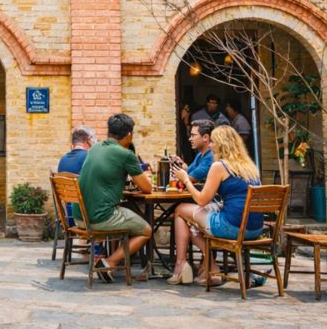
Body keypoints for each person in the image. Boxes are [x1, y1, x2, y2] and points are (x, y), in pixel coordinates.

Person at [168, 125, 265, 286]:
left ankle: (183, 265)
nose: (211, 146)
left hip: (233, 227)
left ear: (222, 144)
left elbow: (201, 200)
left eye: (213, 142)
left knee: (180, 211)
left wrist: (185, 179)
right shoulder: (250, 166)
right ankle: (209, 268)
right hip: (255, 228)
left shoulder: (219, 166)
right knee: (194, 226)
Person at [76, 114, 153, 277]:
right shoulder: (125, 154)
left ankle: (114, 260)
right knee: (146, 230)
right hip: (99, 218)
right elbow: (147, 188)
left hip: (79, 216)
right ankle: (109, 262)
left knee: (125, 209)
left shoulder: (94, 148)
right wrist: (144, 174)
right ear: (129, 135)